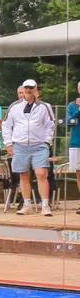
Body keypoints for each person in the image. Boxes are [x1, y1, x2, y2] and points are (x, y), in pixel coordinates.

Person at [1, 79, 55, 216]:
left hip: (39, 145)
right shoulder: (14, 107)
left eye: (31, 88)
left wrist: (47, 142)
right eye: (26, 88)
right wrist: (8, 143)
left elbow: (50, 125)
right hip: (20, 145)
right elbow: (6, 126)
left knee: (41, 174)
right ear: (23, 89)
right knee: (23, 175)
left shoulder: (44, 106)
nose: (28, 90)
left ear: (36, 89)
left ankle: (45, 205)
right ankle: (27, 204)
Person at [67, 82, 80, 215]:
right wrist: (78, 111)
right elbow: (69, 122)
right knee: (79, 173)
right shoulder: (72, 105)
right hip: (76, 143)